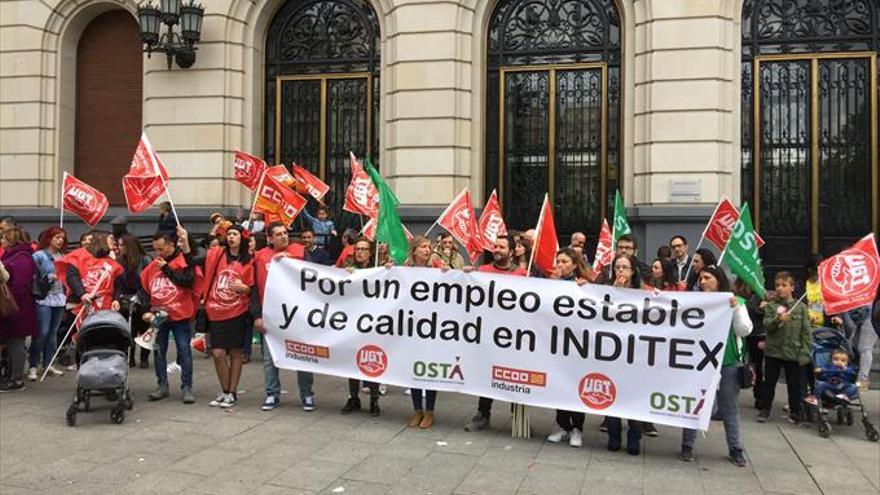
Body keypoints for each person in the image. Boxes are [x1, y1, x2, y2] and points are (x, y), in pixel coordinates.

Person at [679, 264, 752, 467]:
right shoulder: (696, 302)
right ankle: (687, 446)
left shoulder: (736, 301)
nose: (702, 282)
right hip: (700, 363)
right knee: (694, 405)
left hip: (728, 363)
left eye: (707, 278)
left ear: (718, 279)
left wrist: (736, 308)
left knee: (729, 407)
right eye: (700, 278)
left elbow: (745, 330)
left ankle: (735, 449)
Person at [464, 234, 526, 432]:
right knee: (486, 373)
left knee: (514, 376)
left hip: (513, 336)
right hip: (487, 334)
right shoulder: (482, 271)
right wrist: (466, 276)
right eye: (495, 246)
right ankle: (483, 413)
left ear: (511, 251)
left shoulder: (522, 275)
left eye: (501, 247)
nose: (497, 250)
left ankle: (518, 418)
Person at [252, 221, 309, 411]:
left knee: (303, 356)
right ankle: (271, 394)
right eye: (278, 234)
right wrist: (257, 315)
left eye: (285, 233)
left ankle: (307, 394)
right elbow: (254, 288)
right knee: (269, 359)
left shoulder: (301, 252)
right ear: (270, 238)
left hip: (298, 315)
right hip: (271, 315)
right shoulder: (260, 257)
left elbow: (318, 275)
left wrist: (289, 259)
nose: (284, 236)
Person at [140, 227, 197, 404]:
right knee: (158, 350)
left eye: (161, 249)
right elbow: (144, 289)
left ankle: (186, 386)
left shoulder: (183, 261)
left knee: (184, 349)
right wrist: (145, 311)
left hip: (180, 315)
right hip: (159, 316)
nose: (158, 253)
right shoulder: (153, 265)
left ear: (171, 245)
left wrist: (166, 269)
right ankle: (162, 384)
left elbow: (188, 281)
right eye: (155, 249)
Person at [203, 225, 255, 409]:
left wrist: (245, 289)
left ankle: (231, 392)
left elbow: (252, 288)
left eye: (235, 234)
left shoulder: (249, 261)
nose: (232, 237)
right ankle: (225, 389)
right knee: (217, 353)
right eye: (229, 234)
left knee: (235, 352)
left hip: (237, 312)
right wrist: (184, 239)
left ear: (242, 238)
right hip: (216, 311)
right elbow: (195, 252)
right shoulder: (217, 255)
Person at [546, 248, 589, 447]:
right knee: (559, 386)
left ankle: (577, 428)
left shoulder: (582, 284)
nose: (559, 265)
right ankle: (562, 425)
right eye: (558, 261)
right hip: (555, 342)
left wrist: (585, 288)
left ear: (573, 264)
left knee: (574, 387)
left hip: (576, 345)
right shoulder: (550, 283)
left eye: (564, 261)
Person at [758, 271, 811, 424]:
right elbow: (767, 326)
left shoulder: (800, 308)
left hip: (793, 352)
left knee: (795, 385)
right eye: (777, 285)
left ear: (792, 287)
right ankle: (765, 409)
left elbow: (806, 332)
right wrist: (777, 319)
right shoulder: (771, 306)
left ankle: (795, 411)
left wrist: (804, 353)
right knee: (769, 383)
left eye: (784, 285)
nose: (780, 288)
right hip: (774, 351)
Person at [605, 253, 644, 454]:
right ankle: (613, 435)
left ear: (632, 271)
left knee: (633, 397)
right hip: (612, 353)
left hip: (636, 355)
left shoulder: (643, 293)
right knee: (612, 394)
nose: (620, 271)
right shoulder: (604, 291)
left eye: (624, 267)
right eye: (617, 267)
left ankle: (634, 436)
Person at [405, 236, 443, 429]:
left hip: (433, 328)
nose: (428, 250)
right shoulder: (405, 270)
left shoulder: (437, 268)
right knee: (414, 369)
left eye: (429, 247)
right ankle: (417, 410)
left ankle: (430, 411)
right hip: (412, 328)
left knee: (430, 369)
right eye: (423, 247)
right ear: (414, 251)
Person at [342, 238, 381, 416]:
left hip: (373, 323)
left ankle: (374, 398)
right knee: (352, 360)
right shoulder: (348, 268)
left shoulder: (378, 269)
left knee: (372, 359)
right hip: (352, 322)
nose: (360, 252)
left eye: (364, 249)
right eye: (357, 249)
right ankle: (353, 397)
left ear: (370, 252)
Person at [27, 227, 68, 381]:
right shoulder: (39, 256)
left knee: (52, 333)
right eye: (57, 237)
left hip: (59, 297)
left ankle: (48, 363)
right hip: (44, 297)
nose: (60, 240)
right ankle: (33, 365)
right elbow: (33, 275)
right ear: (49, 238)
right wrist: (48, 277)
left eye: (62, 238)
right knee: (42, 332)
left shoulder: (62, 256)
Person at [0, 227, 37, 392]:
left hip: (16, 308)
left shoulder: (21, 258)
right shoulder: (13, 255)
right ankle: (10, 375)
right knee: (12, 341)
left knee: (16, 343)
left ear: (12, 240)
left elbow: (20, 285)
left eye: (4, 238)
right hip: (11, 307)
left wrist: (9, 303)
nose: (1, 241)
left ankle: (16, 379)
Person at [115, 233, 152, 368]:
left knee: (144, 329)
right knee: (128, 330)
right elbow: (117, 282)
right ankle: (129, 357)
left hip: (142, 299)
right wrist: (119, 297)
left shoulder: (145, 260)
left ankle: (144, 357)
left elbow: (148, 282)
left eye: (121, 245)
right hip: (126, 299)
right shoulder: (119, 261)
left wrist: (139, 297)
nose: (119, 248)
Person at [735, 278, 766, 410]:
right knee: (741, 364)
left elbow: (774, 310)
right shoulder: (736, 294)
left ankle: (759, 396)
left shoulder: (759, 295)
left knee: (757, 366)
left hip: (756, 334)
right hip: (743, 335)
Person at [840, 305, 877, 391]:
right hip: (860, 315)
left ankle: (862, 382)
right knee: (854, 346)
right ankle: (852, 377)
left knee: (865, 348)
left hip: (871, 315)